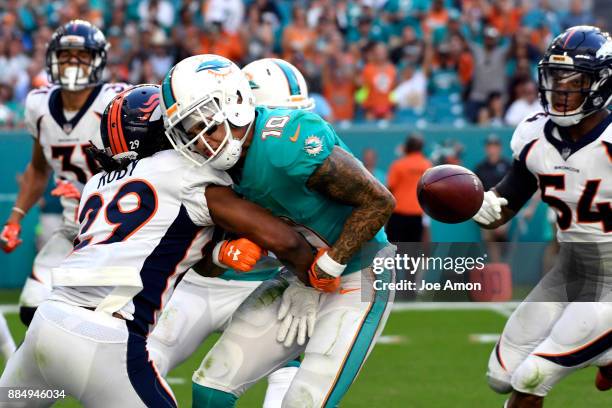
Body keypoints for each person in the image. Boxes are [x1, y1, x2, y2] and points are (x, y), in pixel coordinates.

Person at [0, 84, 315, 407]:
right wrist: (315, 275)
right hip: (103, 338)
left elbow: (172, 244)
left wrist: (220, 253)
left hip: (46, 325)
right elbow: (284, 241)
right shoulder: (186, 172)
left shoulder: (95, 186)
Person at [158, 54, 396, 407]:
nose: (199, 140)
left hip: (359, 276)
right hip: (299, 274)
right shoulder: (218, 169)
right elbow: (207, 259)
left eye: (205, 123)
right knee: (212, 385)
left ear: (236, 103)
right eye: (190, 129)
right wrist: (298, 277)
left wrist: (328, 267)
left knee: (301, 401)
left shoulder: (285, 144)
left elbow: (380, 202)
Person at [147, 57, 314, 408]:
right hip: (199, 285)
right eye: (282, 117)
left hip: (268, 283)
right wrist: (222, 252)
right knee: (143, 360)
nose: (291, 129)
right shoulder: (203, 149)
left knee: (292, 371)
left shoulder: (307, 153)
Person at [472, 26, 612, 407]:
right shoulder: (535, 135)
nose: (561, 90)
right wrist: (481, 205)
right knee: (500, 376)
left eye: (574, 81)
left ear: (600, 83)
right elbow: (503, 205)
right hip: (570, 271)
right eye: (555, 78)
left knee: (532, 378)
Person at [0, 20, 129, 326]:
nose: (73, 62)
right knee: (33, 309)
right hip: (73, 228)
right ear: (52, 58)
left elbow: (144, 170)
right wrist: (15, 219)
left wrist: (91, 190)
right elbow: (37, 168)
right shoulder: (38, 105)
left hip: (119, 231)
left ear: (97, 59)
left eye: (81, 55)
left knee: (110, 321)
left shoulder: (116, 101)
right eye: (66, 55)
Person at [386, 133, 432, 243]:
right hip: (417, 215)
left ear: (407, 147)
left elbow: (389, 189)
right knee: (413, 253)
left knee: (393, 251)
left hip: (398, 215)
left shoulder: (398, 165)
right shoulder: (427, 166)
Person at [474, 134, 512, 263]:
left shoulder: (507, 166)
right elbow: (476, 190)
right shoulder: (481, 168)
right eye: (490, 146)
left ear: (499, 148)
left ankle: (502, 265)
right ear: (486, 148)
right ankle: (497, 269)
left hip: (503, 206)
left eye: (495, 146)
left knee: (500, 233)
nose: (492, 149)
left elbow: (514, 188)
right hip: (486, 207)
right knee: (489, 238)